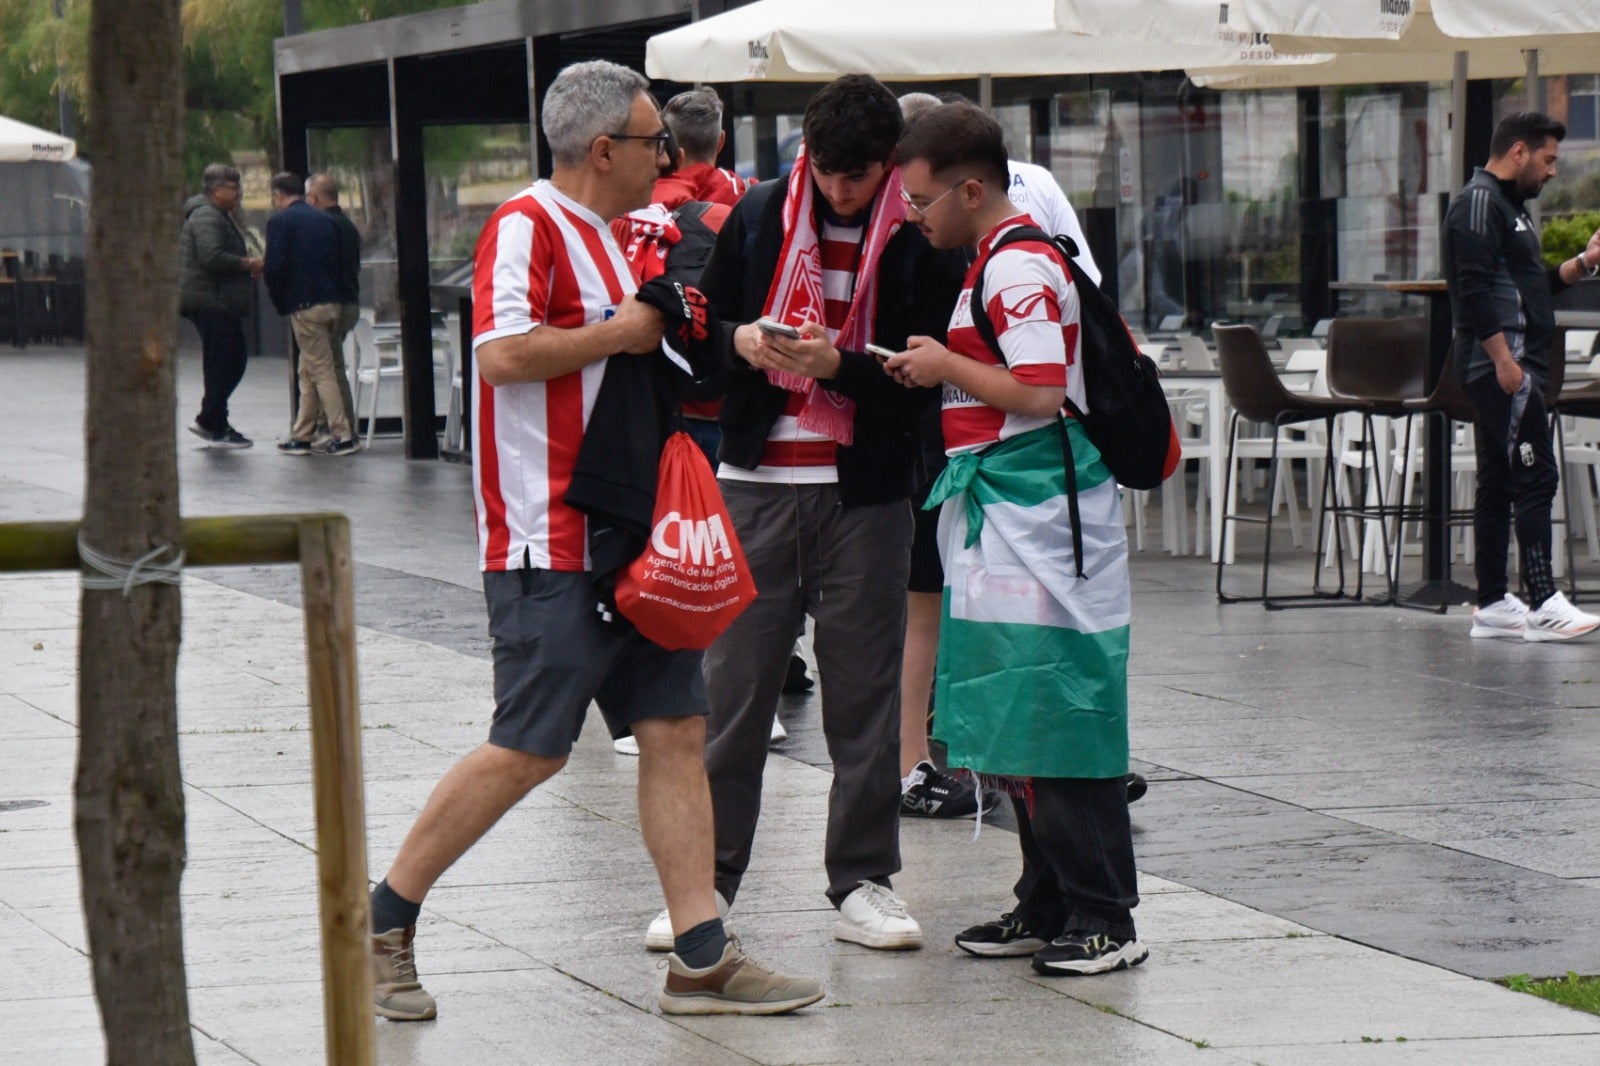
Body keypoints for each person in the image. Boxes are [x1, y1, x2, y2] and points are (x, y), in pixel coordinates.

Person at [364, 59, 822, 1022]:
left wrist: (729, 340)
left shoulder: (613, 239)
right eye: (656, 141)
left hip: (628, 537)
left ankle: (701, 955)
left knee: (675, 730)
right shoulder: (526, 224)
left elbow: (642, 343)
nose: (667, 155)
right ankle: (381, 922)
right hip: (549, 538)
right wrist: (620, 332)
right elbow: (501, 356)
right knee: (529, 748)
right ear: (604, 147)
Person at [639, 73, 966, 955]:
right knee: (733, 692)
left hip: (862, 493)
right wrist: (743, 339)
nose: (838, 190)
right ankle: (706, 884)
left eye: (856, 175)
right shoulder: (762, 211)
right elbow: (704, 327)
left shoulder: (919, 234)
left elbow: (924, 377)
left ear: (887, 164)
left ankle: (863, 878)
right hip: (754, 481)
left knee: (863, 695)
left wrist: (840, 367)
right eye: (825, 171)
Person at [886, 101, 1146, 976]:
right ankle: (1046, 901)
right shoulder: (996, 260)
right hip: (1013, 514)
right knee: (1017, 712)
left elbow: (1037, 392)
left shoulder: (1019, 266)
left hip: (1043, 518)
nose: (912, 216)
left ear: (969, 189)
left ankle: (1104, 913)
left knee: (1059, 711)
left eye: (921, 200)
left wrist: (942, 364)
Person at [1446, 111, 1600, 642]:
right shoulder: (1480, 202)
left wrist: (1582, 263)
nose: (1553, 171)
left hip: (1511, 364)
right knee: (1536, 476)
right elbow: (1471, 292)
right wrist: (1504, 363)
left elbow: (1528, 287)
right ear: (1518, 153)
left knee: (1498, 481)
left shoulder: (1509, 208)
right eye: (1548, 159)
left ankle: (1491, 601)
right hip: (1505, 366)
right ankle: (1542, 601)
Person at [263, 171, 358, 457]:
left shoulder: (280, 222)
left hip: (305, 305)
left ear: (279, 195)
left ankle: (342, 435)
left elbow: (275, 268)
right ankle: (301, 435)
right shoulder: (326, 220)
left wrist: (282, 302)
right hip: (332, 303)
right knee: (307, 369)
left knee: (321, 371)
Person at [179, 163, 262, 448]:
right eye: (233, 187)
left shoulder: (217, 215)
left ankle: (213, 419)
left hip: (218, 300)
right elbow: (211, 257)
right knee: (224, 361)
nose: (239, 193)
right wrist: (247, 263)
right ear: (216, 190)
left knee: (230, 359)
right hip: (211, 300)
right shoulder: (207, 216)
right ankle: (212, 421)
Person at [303, 172, 360, 436]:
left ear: (313, 198)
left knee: (331, 370)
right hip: (349, 300)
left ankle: (342, 428)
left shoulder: (321, 226)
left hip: (332, 303)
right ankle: (324, 424)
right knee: (325, 367)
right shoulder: (346, 224)